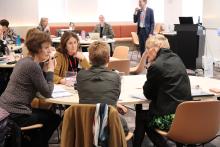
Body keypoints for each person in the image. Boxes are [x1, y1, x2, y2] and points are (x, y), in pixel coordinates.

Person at [0, 31, 61, 147]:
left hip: (5, 108)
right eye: (46, 48)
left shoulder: (24, 61)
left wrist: (45, 67)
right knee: (54, 118)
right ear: (37, 49)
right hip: (15, 114)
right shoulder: (33, 65)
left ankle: (32, 141)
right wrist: (51, 71)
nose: (49, 51)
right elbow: (47, 92)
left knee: (47, 116)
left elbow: (37, 84)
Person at [133, 34, 192, 147]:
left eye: (147, 49)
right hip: (185, 116)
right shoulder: (177, 58)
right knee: (147, 116)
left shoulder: (156, 66)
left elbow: (148, 94)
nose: (146, 53)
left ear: (154, 49)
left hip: (170, 118)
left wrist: (150, 65)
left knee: (142, 117)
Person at [77, 41, 129, 136]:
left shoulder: (80, 76)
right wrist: (115, 105)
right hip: (110, 126)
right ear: (109, 59)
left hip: (85, 126)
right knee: (124, 126)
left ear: (89, 58)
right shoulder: (115, 77)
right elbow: (113, 97)